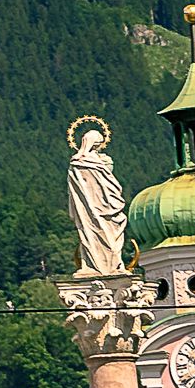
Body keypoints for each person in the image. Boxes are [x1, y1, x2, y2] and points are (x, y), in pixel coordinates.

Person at [68, 119, 126, 280]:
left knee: (90, 233)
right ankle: (103, 265)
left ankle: (106, 264)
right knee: (103, 233)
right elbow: (112, 186)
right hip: (100, 206)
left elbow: (74, 189)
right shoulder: (93, 163)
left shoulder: (77, 163)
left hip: (87, 209)